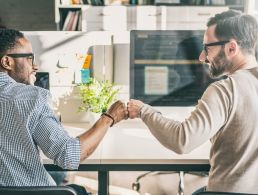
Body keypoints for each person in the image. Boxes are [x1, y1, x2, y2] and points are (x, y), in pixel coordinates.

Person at [127, 9, 258, 194]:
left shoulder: (225, 90)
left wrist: (143, 110)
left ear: (231, 48)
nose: (202, 57)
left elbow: (183, 140)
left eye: (207, 48)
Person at [0, 28, 128, 195]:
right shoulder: (32, 98)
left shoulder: (26, 97)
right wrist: (109, 117)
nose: (34, 66)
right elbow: (69, 156)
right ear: (7, 62)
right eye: (29, 58)